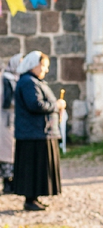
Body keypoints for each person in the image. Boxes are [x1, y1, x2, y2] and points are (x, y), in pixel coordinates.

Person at [13, 52, 64, 212]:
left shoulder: (34, 81)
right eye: (43, 66)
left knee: (37, 167)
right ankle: (30, 199)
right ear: (33, 65)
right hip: (33, 133)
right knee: (32, 167)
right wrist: (57, 106)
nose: (45, 70)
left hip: (38, 132)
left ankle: (34, 197)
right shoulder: (28, 82)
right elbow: (35, 105)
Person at [1, 54, 21, 194]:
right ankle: (8, 183)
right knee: (7, 152)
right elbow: (8, 101)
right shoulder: (8, 79)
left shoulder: (13, 78)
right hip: (6, 120)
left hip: (10, 119)